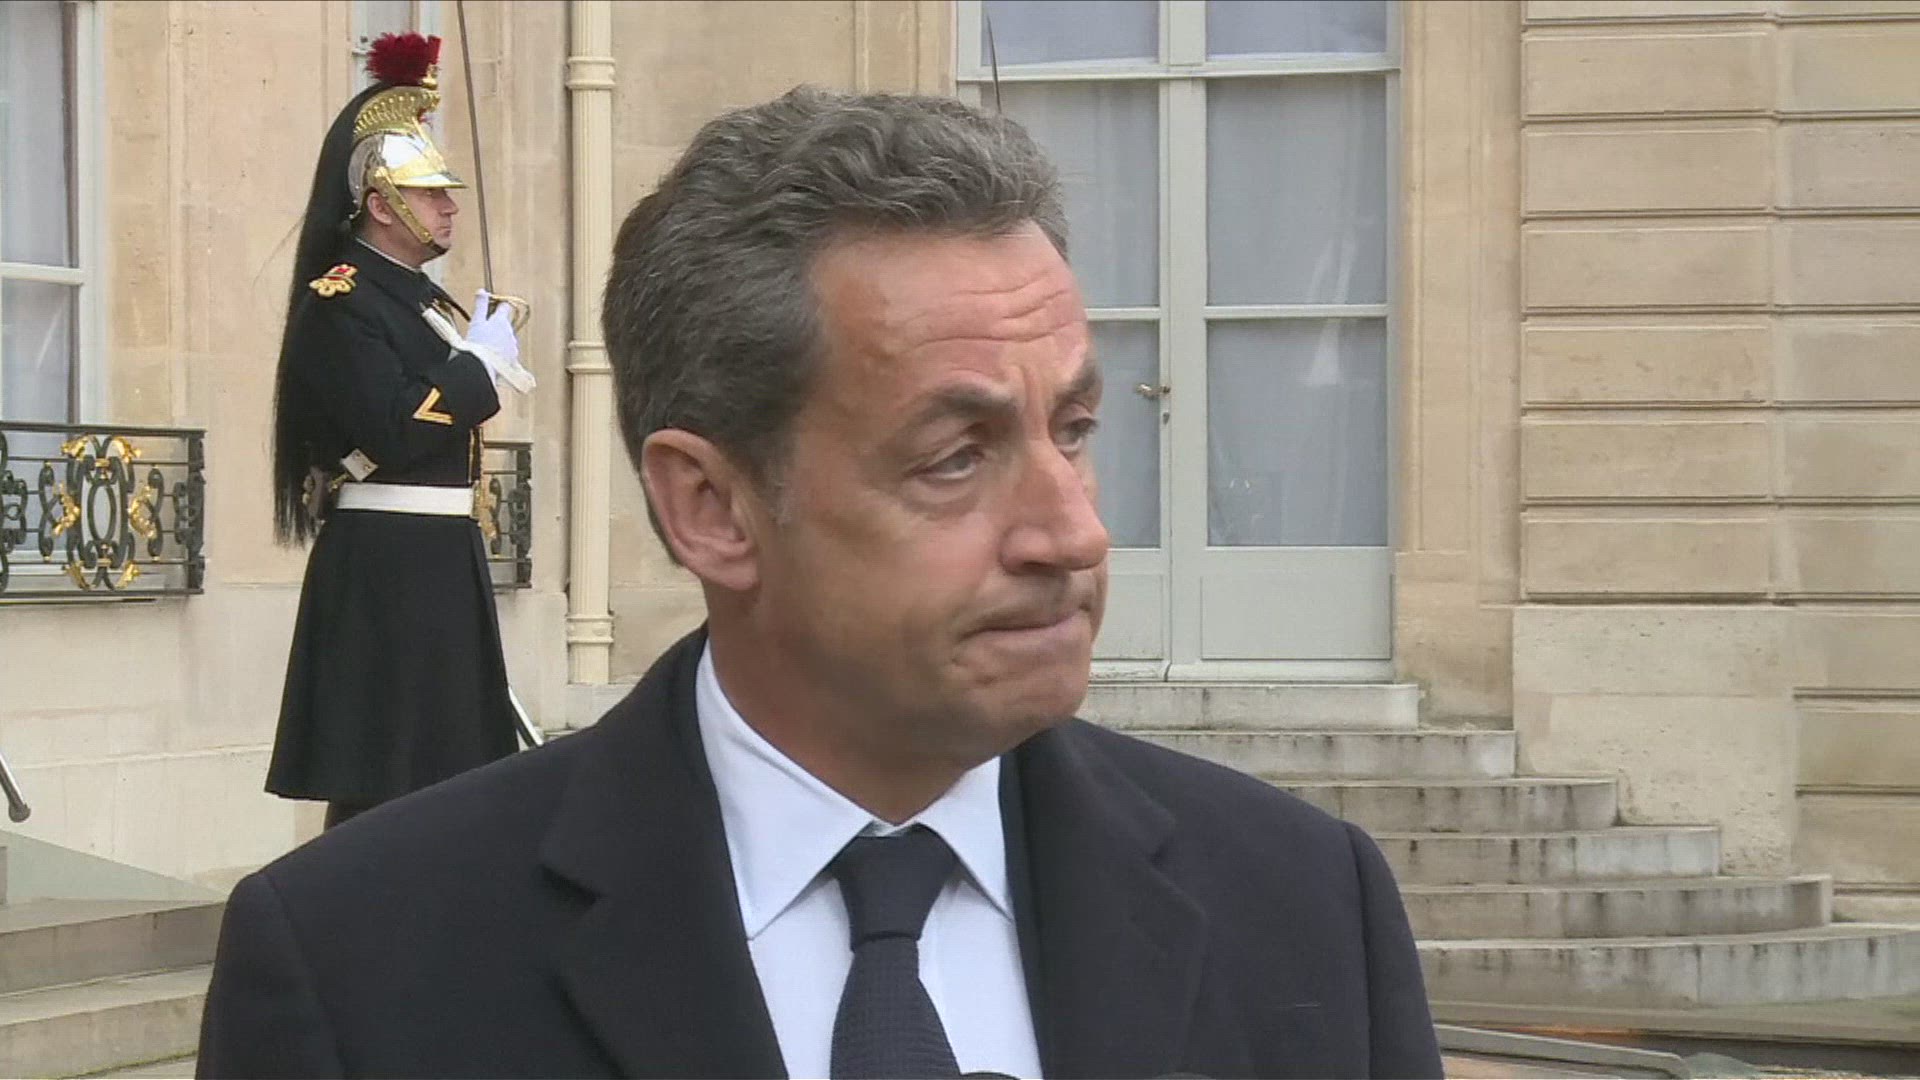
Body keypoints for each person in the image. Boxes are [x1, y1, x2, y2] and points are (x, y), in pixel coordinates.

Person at [199, 87, 1441, 1079]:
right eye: (956, 458)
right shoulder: (361, 966)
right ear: (710, 508)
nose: (1073, 534)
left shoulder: (1306, 907)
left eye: (1072, 431)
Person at [263, 33, 535, 831]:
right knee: (384, 774)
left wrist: (473, 360)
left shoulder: (412, 299)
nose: (450, 206)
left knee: (443, 767)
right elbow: (396, 427)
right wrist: (477, 369)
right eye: (430, 193)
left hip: (435, 553)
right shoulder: (342, 300)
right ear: (382, 205)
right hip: (386, 561)